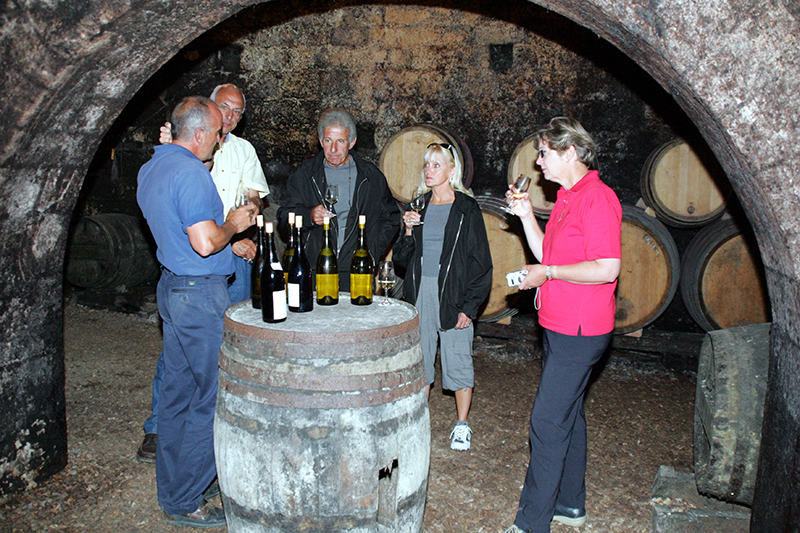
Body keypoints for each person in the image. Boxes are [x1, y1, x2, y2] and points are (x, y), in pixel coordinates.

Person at [137, 96, 256, 527]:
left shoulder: (153, 166)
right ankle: (187, 497)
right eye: (218, 133)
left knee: (177, 394)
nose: (221, 140)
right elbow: (206, 241)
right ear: (201, 135)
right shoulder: (189, 172)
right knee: (217, 395)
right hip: (199, 295)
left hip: (171, 288)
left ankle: (175, 487)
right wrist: (233, 224)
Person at [502, 117, 621, 533]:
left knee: (547, 422)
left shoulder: (597, 199)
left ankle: (531, 524)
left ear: (570, 153)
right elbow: (547, 250)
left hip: (580, 329)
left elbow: (607, 268)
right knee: (569, 414)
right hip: (558, 325)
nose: (538, 163)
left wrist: (548, 273)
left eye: (544, 153)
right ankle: (570, 504)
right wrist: (525, 217)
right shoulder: (568, 196)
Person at [392, 143, 493, 451]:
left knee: (457, 357)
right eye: (427, 165)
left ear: (452, 171)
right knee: (420, 357)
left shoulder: (465, 208)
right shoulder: (418, 205)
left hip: (454, 291)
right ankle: (417, 421)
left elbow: (481, 262)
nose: (429, 170)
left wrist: (469, 307)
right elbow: (401, 260)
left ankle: (462, 425)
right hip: (422, 289)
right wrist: (407, 232)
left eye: (436, 165)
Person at [277, 108, 399, 290]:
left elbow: (391, 219)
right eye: (328, 141)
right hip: (315, 266)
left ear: (352, 142)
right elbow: (283, 219)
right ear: (320, 141)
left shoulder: (371, 177)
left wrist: (371, 251)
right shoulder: (304, 175)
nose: (333, 149)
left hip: (357, 270)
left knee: (357, 318)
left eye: (340, 141)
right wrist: (309, 216)